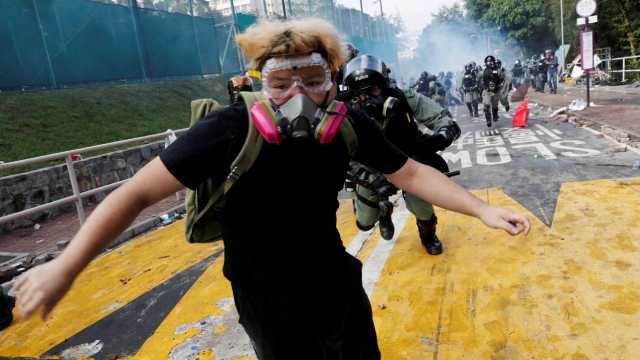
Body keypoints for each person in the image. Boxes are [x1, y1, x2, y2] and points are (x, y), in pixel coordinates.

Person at [13, 19, 530, 359]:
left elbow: (412, 173)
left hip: (333, 281)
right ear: (261, 82)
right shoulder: (227, 131)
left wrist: (480, 209)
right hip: (262, 293)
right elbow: (135, 194)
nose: (298, 96)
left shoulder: (347, 122)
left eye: (311, 79)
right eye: (281, 82)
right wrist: (66, 265)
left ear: (333, 79)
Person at [343, 54, 461, 254]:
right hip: (372, 167)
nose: (369, 98)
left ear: (385, 84)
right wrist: (370, 180)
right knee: (364, 222)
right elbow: (342, 159)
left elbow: (444, 120)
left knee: (423, 210)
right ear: (355, 94)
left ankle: (428, 234)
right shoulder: (347, 113)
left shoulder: (405, 98)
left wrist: (439, 139)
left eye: (374, 89)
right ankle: (384, 211)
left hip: (408, 162)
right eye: (362, 93)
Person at [478, 55, 506, 128]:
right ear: (485, 63)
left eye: (491, 61)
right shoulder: (483, 72)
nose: (490, 63)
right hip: (486, 91)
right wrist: (478, 87)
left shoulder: (498, 71)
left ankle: (495, 116)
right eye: (488, 62)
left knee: (494, 106)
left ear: (493, 62)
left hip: (495, 91)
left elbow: (503, 79)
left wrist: (501, 85)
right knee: (486, 106)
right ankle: (488, 120)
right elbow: (477, 80)